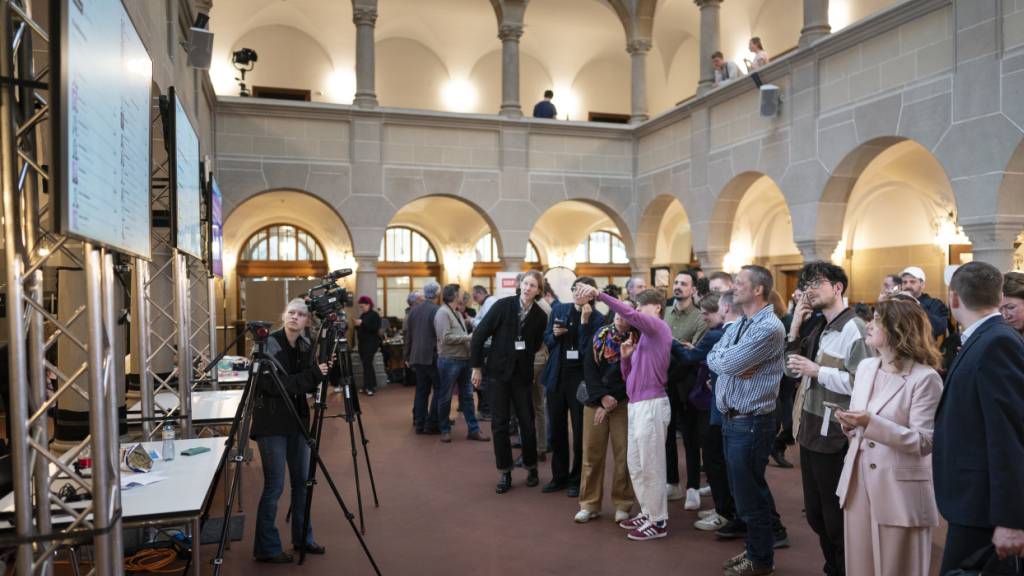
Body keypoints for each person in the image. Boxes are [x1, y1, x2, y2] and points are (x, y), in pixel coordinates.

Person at [834, 297, 943, 576]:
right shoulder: (868, 367)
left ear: (897, 329)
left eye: (877, 320)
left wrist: (871, 423)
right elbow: (864, 422)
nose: (868, 325)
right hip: (858, 480)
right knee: (860, 566)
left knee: (898, 568)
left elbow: (924, 441)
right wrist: (851, 425)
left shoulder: (925, 378)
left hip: (899, 489)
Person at [934, 262, 1024, 573]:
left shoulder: (997, 342)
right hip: (972, 501)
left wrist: (1011, 519)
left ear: (954, 298)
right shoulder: (984, 337)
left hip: (984, 505)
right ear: (1000, 297)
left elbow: (1009, 436)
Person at [786, 262, 871, 576]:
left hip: (834, 433)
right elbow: (789, 369)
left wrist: (818, 371)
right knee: (817, 517)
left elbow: (864, 384)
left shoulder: (855, 329)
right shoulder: (819, 325)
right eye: (806, 283)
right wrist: (795, 327)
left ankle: (844, 569)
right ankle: (832, 567)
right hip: (809, 428)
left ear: (838, 287)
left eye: (817, 282)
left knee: (835, 519)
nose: (809, 289)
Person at [577, 283, 673, 542]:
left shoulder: (659, 328)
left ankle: (658, 520)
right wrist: (626, 358)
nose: (638, 311)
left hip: (652, 404)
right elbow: (629, 378)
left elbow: (630, 315)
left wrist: (599, 295)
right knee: (636, 464)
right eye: (638, 306)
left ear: (657, 308)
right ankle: (647, 512)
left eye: (643, 306)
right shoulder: (642, 339)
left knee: (651, 465)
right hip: (636, 404)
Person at [707, 265, 786, 576]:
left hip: (751, 422)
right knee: (745, 494)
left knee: (751, 496)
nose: (734, 287)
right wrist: (730, 364)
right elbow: (715, 357)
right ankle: (756, 551)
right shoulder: (744, 322)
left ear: (758, 290)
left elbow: (728, 361)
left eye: (740, 283)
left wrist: (730, 364)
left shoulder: (768, 327)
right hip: (733, 419)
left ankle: (761, 560)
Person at [252, 299, 329, 564]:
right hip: (271, 424)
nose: (295, 317)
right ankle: (267, 548)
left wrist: (320, 371)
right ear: (284, 316)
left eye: (301, 314)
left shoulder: (306, 347)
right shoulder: (267, 345)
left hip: (297, 422)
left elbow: (306, 383)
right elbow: (275, 386)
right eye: (291, 313)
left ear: (308, 321)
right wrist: (313, 375)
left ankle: (303, 538)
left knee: (303, 484)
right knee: (275, 486)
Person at [471, 270, 548, 494]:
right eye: (525, 283)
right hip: (497, 375)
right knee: (499, 424)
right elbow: (479, 335)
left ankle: (531, 467)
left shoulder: (540, 316)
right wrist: (476, 367)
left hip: (522, 377)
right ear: (520, 285)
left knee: (527, 422)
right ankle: (505, 471)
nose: (527, 288)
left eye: (533, 285)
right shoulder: (503, 306)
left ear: (538, 291)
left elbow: (534, 346)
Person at [541, 276, 604, 497]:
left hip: (580, 380)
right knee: (556, 429)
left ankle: (576, 479)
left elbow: (591, 352)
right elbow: (546, 340)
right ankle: (559, 476)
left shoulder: (598, 319)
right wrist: (554, 336)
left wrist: (585, 324)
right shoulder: (560, 309)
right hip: (557, 376)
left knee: (579, 432)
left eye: (583, 290)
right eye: (575, 290)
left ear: (593, 293)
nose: (578, 294)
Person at [574, 302, 635, 524]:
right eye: (617, 312)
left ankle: (622, 504)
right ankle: (589, 504)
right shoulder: (600, 334)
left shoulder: (637, 339)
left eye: (625, 313)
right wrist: (601, 398)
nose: (620, 316)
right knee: (591, 455)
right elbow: (589, 369)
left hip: (622, 402)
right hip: (596, 401)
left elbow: (633, 376)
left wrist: (612, 400)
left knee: (624, 455)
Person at [671, 292, 728, 529]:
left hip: (714, 403)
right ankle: (723, 507)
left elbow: (690, 357)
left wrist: (670, 340)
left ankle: (725, 511)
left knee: (715, 457)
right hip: (716, 399)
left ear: (719, 311)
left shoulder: (716, 334)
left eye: (706, 314)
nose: (703, 318)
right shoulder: (723, 332)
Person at [664, 270, 707, 510]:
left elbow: (694, 354)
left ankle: (692, 487)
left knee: (691, 437)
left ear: (693, 290)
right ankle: (672, 482)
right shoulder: (665, 312)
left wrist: (679, 350)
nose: (678, 287)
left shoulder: (700, 318)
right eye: (676, 283)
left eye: (684, 284)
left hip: (689, 383)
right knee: (667, 434)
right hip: (666, 381)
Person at [434, 284, 489, 443]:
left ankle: (473, 430)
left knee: (467, 396)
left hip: (464, 359)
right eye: (460, 293)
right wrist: (468, 338)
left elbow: (456, 334)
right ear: (453, 295)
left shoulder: (457, 312)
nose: (463, 294)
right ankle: (444, 429)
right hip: (449, 360)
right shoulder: (443, 313)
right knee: (445, 397)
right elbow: (445, 338)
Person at [405, 282, 441, 434]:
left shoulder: (413, 311)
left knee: (421, 390)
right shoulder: (437, 311)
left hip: (416, 356)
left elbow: (408, 335)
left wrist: (406, 356)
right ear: (437, 294)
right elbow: (439, 335)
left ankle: (420, 423)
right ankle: (432, 423)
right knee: (439, 390)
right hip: (431, 356)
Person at [899, 267, 949, 340]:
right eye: (904, 282)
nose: (907, 286)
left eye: (912, 282)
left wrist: (916, 304)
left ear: (922, 284)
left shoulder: (935, 304)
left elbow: (939, 328)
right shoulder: (898, 304)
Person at [354, 296, 381, 396]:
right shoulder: (363, 315)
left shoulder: (375, 315)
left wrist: (363, 323)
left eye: (363, 306)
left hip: (371, 343)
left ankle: (369, 387)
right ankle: (371, 384)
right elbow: (361, 329)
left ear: (368, 305)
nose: (362, 308)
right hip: (363, 343)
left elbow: (374, 328)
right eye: (361, 307)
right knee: (367, 365)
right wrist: (357, 325)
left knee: (367, 364)